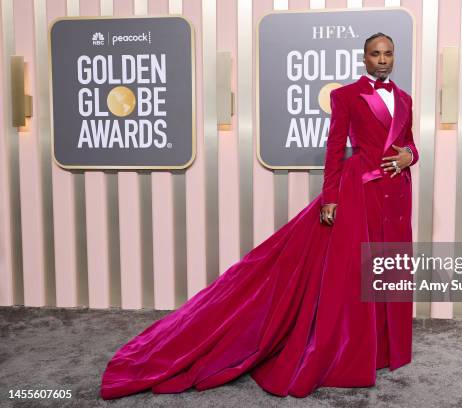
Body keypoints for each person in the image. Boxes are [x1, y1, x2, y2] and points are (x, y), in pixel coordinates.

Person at [99, 32, 419, 400]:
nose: (382, 59)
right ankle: (354, 352)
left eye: (388, 53)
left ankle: (385, 349)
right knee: (352, 274)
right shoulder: (345, 95)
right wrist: (330, 197)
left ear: (395, 57)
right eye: (375, 54)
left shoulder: (406, 99)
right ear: (364, 59)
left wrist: (411, 156)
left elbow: (409, 143)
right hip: (359, 191)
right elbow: (335, 148)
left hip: (397, 193)